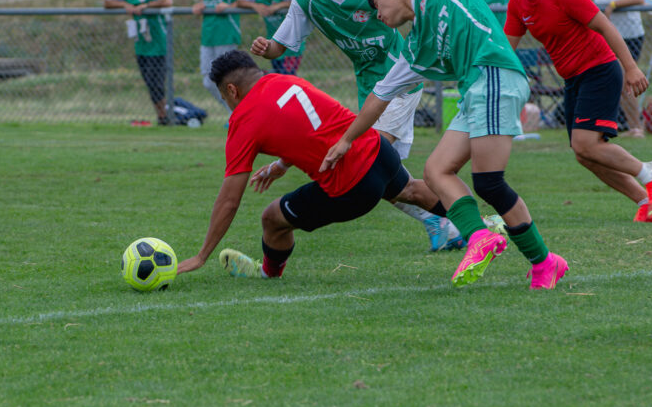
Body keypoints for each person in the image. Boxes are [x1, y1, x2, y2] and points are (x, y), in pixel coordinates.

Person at [322, 0, 568, 290]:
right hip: (478, 88)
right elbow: (379, 98)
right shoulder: (414, 47)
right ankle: (543, 263)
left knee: (489, 181)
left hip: (494, 73)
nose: (376, 13)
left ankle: (484, 239)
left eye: (376, 2)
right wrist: (345, 140)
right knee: (436, 170)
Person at [250, 0, 464, 253]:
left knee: (370, 166)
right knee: (386, 176)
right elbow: (282, 43)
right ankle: (456, 222)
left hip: (400, 78)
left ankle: (459, 223)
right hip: (369, 86)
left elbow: (415, 7)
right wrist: (266, 48)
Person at [176, 51, 452, 278]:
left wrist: (201, 257)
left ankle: (267, 274)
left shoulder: (243, 121)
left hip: (352, 187)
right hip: (379, 151)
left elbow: (229, 201)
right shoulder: (285, 80)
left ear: (232, 90)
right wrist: (282, 164)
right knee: (412, 190)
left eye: (224, 98)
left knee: (272, 219)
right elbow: (311, 128)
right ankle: (479, 226)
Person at [503, 0, 652, 222]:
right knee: (584, 154)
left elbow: (606, 26)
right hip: (573, 79)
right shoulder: (518, 3)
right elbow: (507, 49)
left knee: (586, 145)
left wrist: (631, 68)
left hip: (600, 69)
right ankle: (647, 202)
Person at [104, 0, 175, 125]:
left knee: (157, 83)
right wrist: (125, 4)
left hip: (158, 43)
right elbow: (107, 2)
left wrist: (146, 5)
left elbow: (167, 1)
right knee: (149, 83)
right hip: (141, 44)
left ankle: (166, 116)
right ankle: (162, 116)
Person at [583, 0, 646, 137]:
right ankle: (632, 126)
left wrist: (613, 4)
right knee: (617, 82)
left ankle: (636, 127)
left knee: (626, 80)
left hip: (630, 36)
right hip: (610, 37)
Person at [191, 0, 250, 112]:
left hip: (226, 31)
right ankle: (235, 112)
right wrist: (200, 5)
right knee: (207, 80)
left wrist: (230, 6)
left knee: (227, 78)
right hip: (208, 33)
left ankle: (238, 114)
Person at [237, 0, 302, 75]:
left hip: (290, 44)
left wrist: (278, 6)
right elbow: (239, 1)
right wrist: (255, 5)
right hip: (273, 42)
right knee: (279, 76)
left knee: (287, 77)